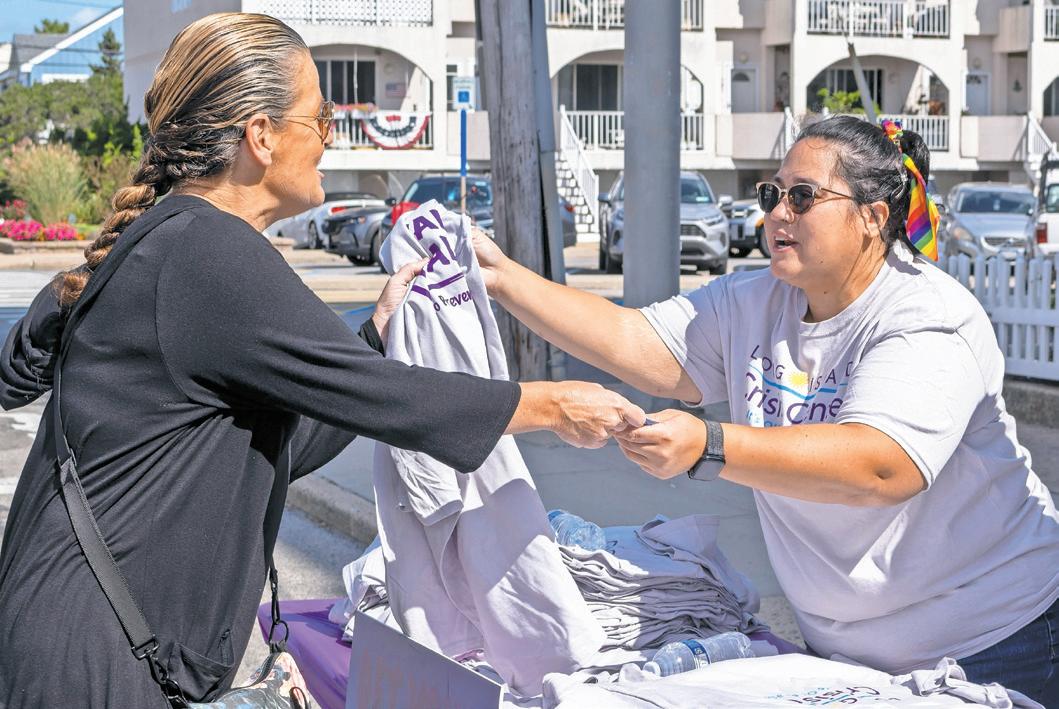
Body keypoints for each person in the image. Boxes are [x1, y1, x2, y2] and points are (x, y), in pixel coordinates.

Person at [0, 13, 645, 707]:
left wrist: (376, 332)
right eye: (320, 116)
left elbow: (280, 441)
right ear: (261, 135)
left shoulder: (175, 241)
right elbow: (391, 399)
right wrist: (552, 403)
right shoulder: (208, 253)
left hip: (74, 631)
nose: (330, 136)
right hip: (90, 656)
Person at [472, 115, 1059, 701]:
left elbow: (880, 466)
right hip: (847, 655)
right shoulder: (753, 299)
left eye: (802, 197)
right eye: (772, 195)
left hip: (994, 641)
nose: (778, 213)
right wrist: (501, 277)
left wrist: (710, 446)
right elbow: (637, 341)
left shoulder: (929, 314)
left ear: (873, 217)